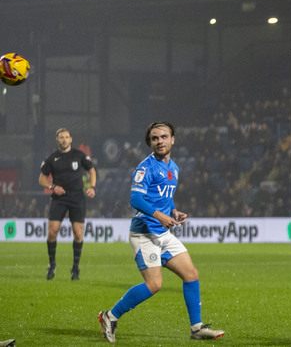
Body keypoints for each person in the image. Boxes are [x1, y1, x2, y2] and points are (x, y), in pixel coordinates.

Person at [98, 121, 224, 343]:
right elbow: (135, 199)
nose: (160, 141)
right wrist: (160, 216)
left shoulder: (173, 167)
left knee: (191, 274)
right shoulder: (145, 168)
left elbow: (166, 196)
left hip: (163, 233)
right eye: (155, 138)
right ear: (150, 142)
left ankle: (196, 329)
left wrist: (173, 211)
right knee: (155, 284)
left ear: (172, 139)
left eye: (164, 137)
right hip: (144, 234)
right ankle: (110, 316)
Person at [39, 127, 96, 281]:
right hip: (59, 199)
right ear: (57, 140)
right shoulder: (52, 158)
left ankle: (75, 268)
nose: (64, 140)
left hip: (77, 197)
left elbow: (91, 170)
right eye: (61, 137)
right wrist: (52, 187)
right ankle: (52, 265)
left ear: (71, 139)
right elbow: (42, 179)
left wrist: (92, 187)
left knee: (78, 233)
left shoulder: (79, 155)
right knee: (52, 232)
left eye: (66, 137)